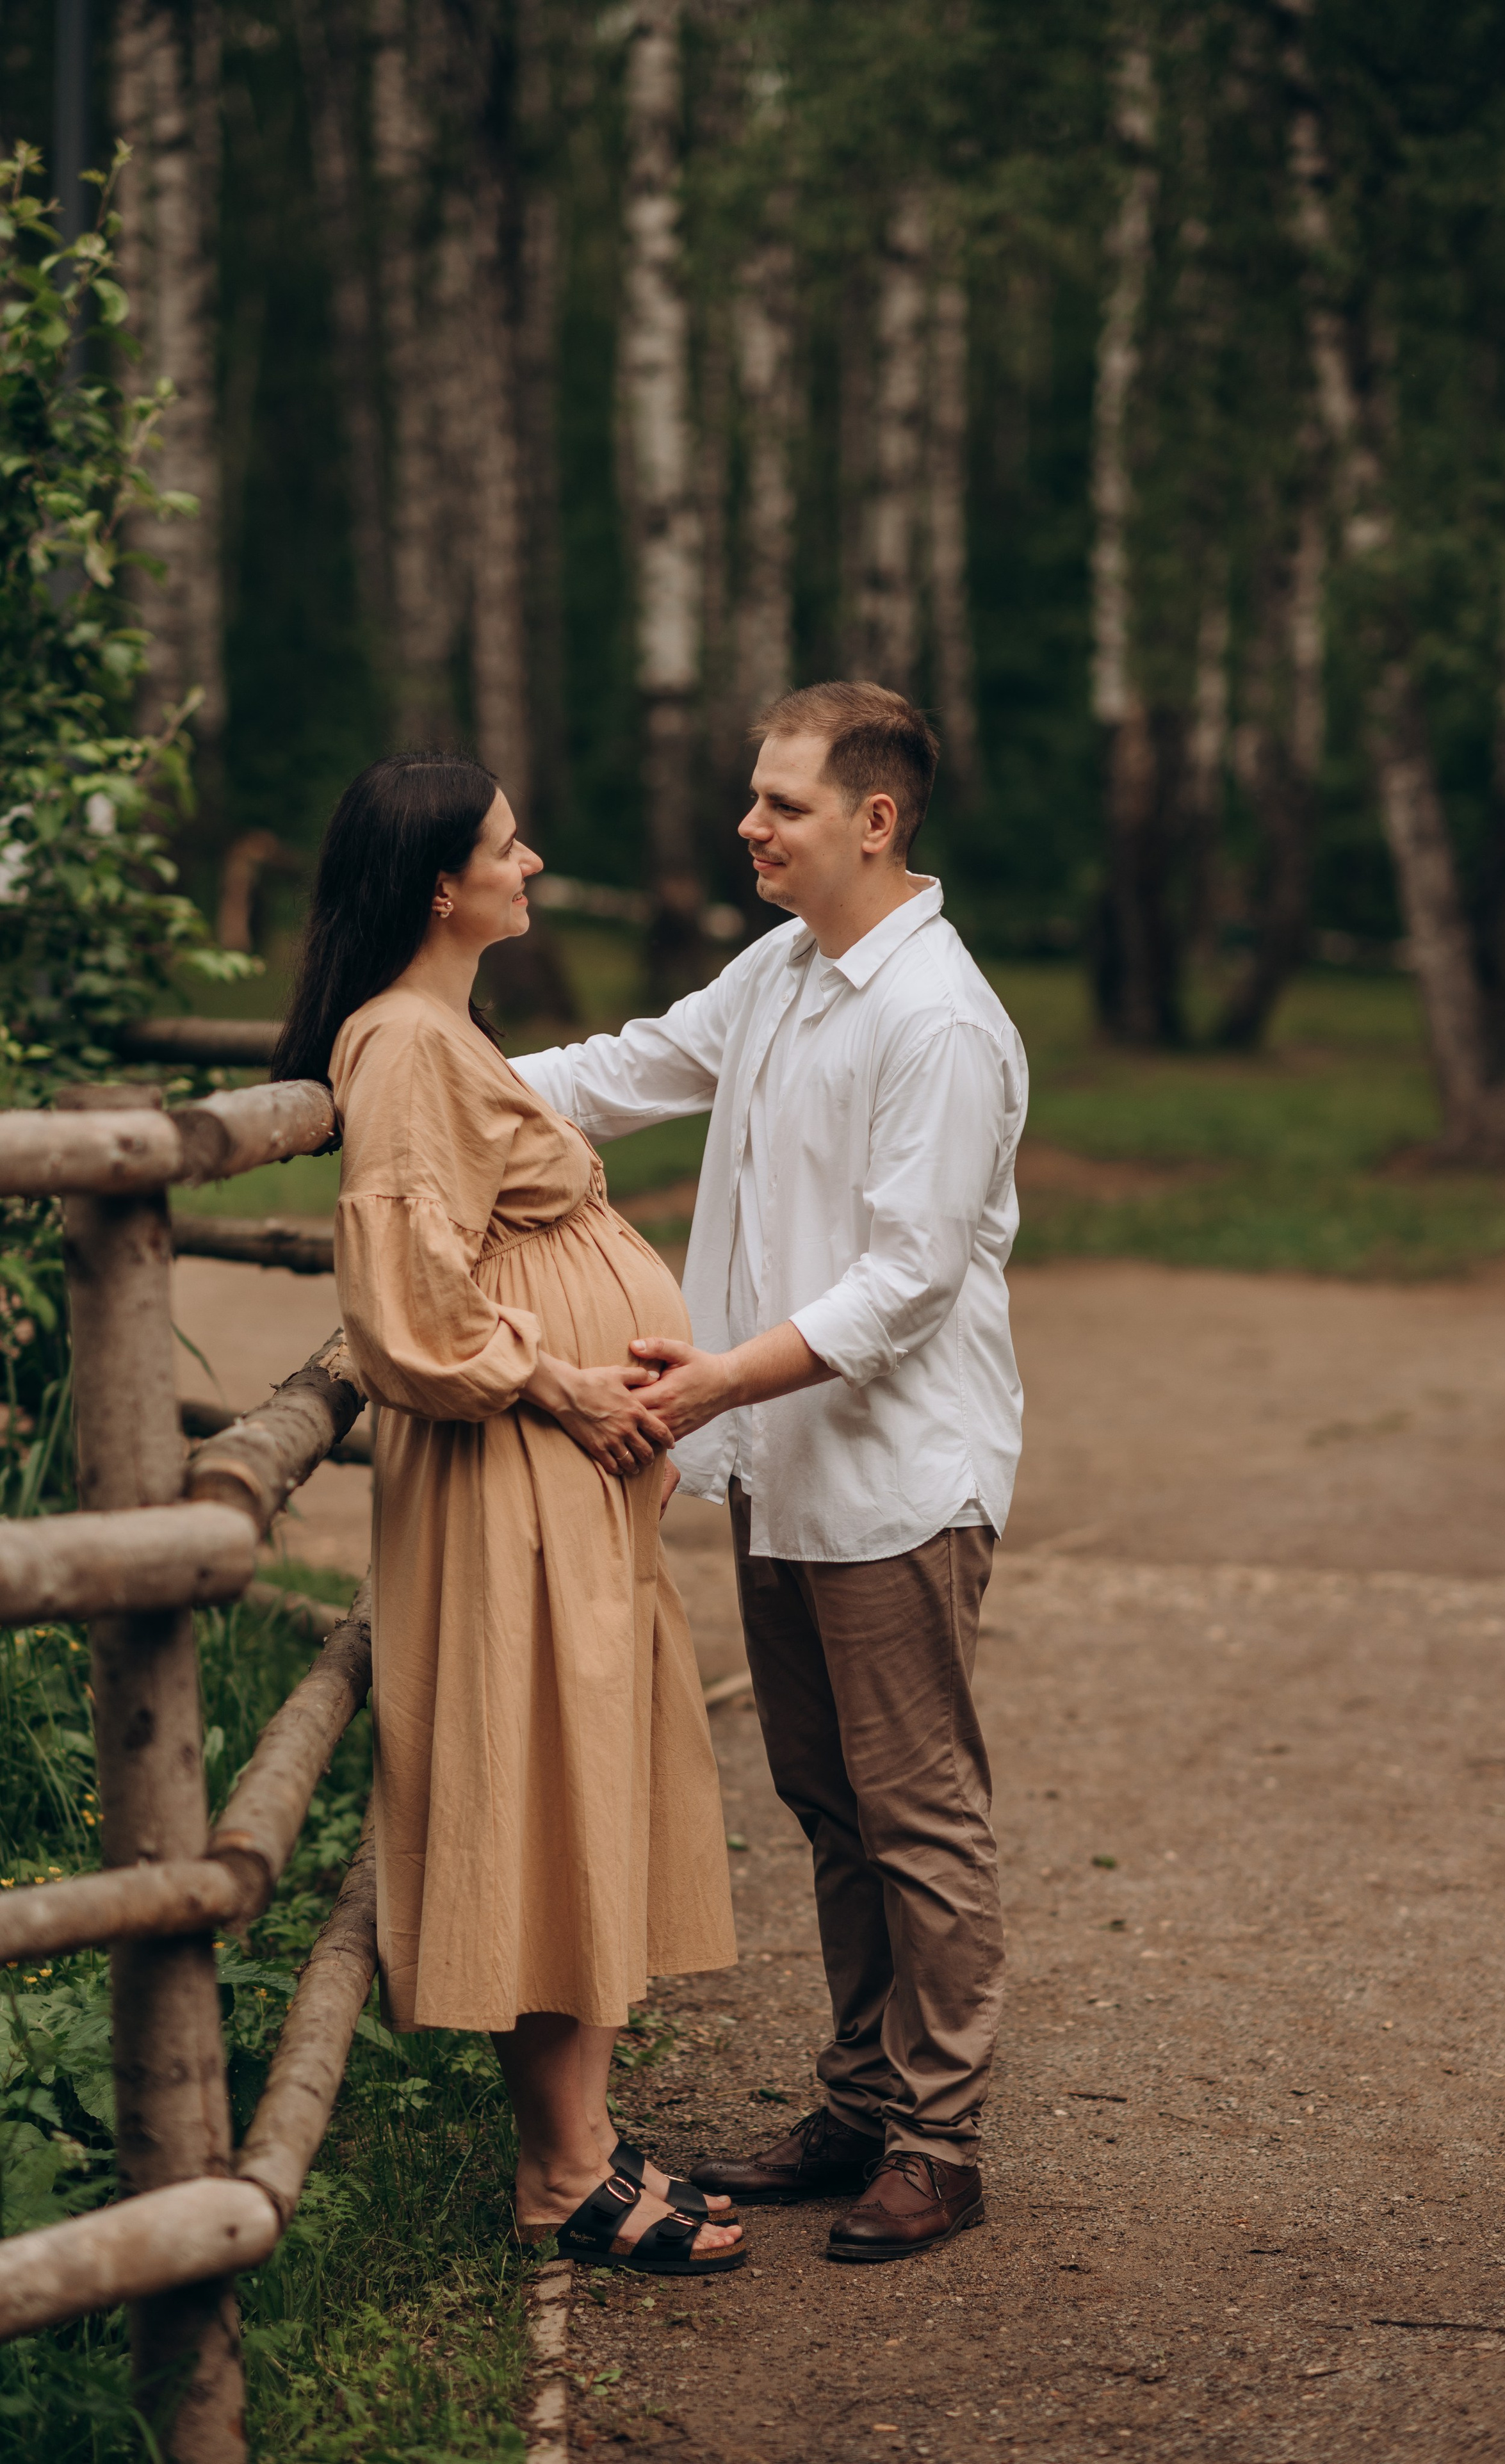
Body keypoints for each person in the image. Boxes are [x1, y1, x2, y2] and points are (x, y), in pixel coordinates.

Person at [512, 682, 1027, 2262]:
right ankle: (862, 2100)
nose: (748, 823)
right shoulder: (787, 970)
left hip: (889, 1479)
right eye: (752, 797)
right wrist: (408, 1074)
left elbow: (906, 1283)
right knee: (823, 1799)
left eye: (780, 802)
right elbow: (631, 1066)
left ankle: (939, 2143)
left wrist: (720, 1374)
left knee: (915, 1812)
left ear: (873, 820)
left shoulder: (937, 1020)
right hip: (781, 1472)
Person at [270, 752, 744, 2279]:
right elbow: (410, 1299)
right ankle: (560, 2174)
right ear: (436, 881)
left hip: (556, 1466)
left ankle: (585, 2144)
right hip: (516, 1467)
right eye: (504, 843)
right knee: (550, 1777)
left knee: (582, 1772)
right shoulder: (404, 1042)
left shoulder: (439, 1028)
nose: (530, 859)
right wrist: (566, 1388)